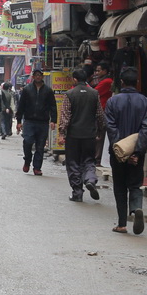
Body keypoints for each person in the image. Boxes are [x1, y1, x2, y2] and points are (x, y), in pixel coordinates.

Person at [104, 67, 147, 235]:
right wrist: (137, 152)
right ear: (136, 82)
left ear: (122, 82)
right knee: (135, 184)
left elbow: (110, 127)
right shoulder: (145, 102)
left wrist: (121, 151)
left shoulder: (112, 102)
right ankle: (136, 207)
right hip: (137, 154)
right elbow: (146, 129)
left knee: (119, 186)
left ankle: (122, 224)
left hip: (118, 153)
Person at [57, 67, 105, 201]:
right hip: (89, 135)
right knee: (89, 160)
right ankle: (90, 179)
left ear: (75, 79)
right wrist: (100, 130)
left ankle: (77, 192)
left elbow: (65, 116)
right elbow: (100, 115)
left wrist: (62, 133)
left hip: (73, 135)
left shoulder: (70, 94)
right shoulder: (94, 93)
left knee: (73, 163)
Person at [16, 69, 56, 175]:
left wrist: (53, 120)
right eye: (36, 75)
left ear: (42, 77)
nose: (38, 77)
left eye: (40, 75)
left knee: (40, 146)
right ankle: (27, 160)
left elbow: (53, 106)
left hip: (43, 122)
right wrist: (19, 121)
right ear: (33, 77)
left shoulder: (48, 90)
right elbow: (21, 106)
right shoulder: (27, 89)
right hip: (29, 121)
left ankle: (37, 167)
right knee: (27, 142)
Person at [92, 61, 115, 165]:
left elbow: (94, 93)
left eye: (99, 70)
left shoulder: (107, 81)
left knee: (100, 135)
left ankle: (97, 158)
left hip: (103, 111)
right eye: (96, 70)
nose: (96, 72)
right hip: (101, 110)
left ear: (105, 71)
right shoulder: (103, 81)